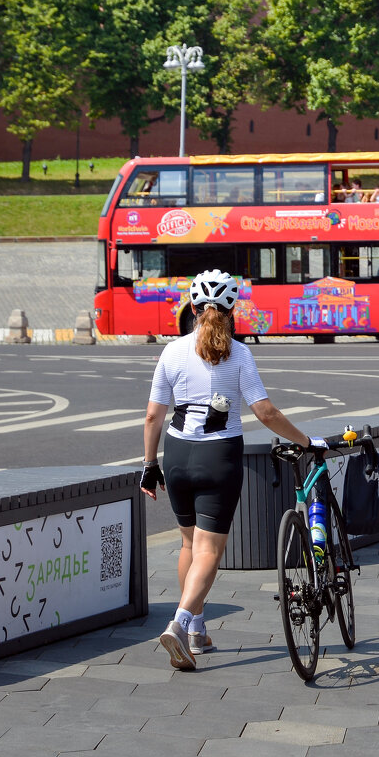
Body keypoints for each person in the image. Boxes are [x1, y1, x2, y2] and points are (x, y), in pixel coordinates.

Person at [141, 270, 320, 671]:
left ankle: (198, 630)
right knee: (209, 550)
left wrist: (149, 466)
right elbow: (266, 413)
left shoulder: (171, 351)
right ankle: (180, 622)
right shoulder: (239, 354)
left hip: (176, 455)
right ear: (232, 309)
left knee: (189, 545)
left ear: (191, 307)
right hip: (219, 458)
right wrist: (306, 442)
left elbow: (154, 416)